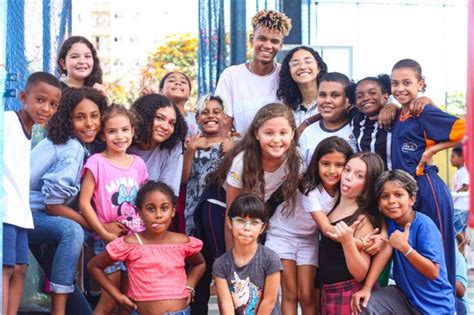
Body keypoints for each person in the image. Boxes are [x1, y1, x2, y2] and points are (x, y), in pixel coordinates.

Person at [192, 103, 301, 313]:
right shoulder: (243, 161)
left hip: (250, 212)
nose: (276, 139)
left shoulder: (295, 160)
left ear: (292, 134)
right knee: (223, 269)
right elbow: (230, 213)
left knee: (252, 274)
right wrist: (230, 258)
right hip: (220, 205)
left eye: (283, 133)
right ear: (257, 134)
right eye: (269, 133)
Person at [29, 86, 107, 315]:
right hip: (30, 215)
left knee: (81, 309)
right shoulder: (71, 149)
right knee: (72, 230)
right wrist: (99, 227)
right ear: (67, 119)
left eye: (94, 116)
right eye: (80, 117)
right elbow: (52, 205)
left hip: (40, 216)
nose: (89, 123)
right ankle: (58, 312)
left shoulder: (75, 145)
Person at [390, 58, 464, 288]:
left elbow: (464, 129)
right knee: (415, 249)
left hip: (428, 187)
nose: (400, 88)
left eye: (407, 82)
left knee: (438, 250)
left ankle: (448, 303)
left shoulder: (423, 111)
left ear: (420, 84)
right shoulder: (399, 115)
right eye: (394, 83)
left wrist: (432, 150)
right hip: (406, 191)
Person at [88, 180, 206, 315]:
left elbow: (199, 263)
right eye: (151, 208)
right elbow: (94, 266)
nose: (158, 215)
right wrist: (118, 296)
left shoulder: (182, 241)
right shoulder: (131, 243)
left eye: (164, 208)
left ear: (173, 211)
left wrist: (190, 286)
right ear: (139, 213)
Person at [265, 136, 353, 315]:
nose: (332, 171)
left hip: (308, 239)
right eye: (325, 164)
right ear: (316, 163)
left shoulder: (343, 190)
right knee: (290, 293)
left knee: (307, 295)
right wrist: (357, 242)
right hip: (282, 235)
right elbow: (327, 228)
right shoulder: (309, 188)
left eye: (339, 165)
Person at [351, 170, 455, 315]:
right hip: (405, 298)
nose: (392, 201)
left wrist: (405, 248)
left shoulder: (424, 225)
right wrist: (367, 288)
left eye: (398, 195)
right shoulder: (389, 222)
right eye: (385, 196)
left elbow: (433, 272)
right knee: (366, 305)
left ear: (412, 199)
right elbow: (386, 248)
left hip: (435, 307)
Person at [79, 104, 148, 314]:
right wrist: (104, 233)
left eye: (125, 130)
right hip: (107, 241)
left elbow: (145, 202)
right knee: (109, 300)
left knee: (128, 300)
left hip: (135, 241)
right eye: (112, 131)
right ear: (103, 134)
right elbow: (83, 203)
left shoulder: (138, 164)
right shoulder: (96, 162)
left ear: (133, 131)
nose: (120, 136)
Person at [2, 72, 61, 315]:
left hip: (19, 212)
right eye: (40, 100)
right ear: (24, 96)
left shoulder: (30, 132)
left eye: (53, 104)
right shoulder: (7, 121)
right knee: (5, 269)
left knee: (20, 268)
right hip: (4, 210)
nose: (46, 108)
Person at [318, 152, 384, 315]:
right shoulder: (330, 207)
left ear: (368, 184)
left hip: (348, 293)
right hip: (328, 292)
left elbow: (360, 272)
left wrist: (348, 242)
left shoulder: (362, 219)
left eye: (359, 176)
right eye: (347, 170)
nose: (348, 177)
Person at [214, 10, 292, 135]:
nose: (268, 45)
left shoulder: (286, 74)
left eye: (274, 41)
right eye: (262, 39)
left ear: (281, 45)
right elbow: (224, 124)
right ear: (252, 40)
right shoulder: (231, 75)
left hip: (279, 150)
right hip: (241, 151)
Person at [213, 194, 283, 314]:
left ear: (263, 228)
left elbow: (269, 301)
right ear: (229, 223)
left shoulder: (271, 259)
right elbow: (226, 303)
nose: (247, 228)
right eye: (240, 221)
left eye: (254, 222)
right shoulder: (221, 264)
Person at [182, 94, 233, 235]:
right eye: (205, 112)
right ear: (197, 119)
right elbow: (183, 179)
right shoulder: (190, 146)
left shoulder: (234, 146)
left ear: (224, 118)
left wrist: (233, 151)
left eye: (216, 112)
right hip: (194, 213)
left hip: (224, 213)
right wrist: (191, 148)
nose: (211, 116)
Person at [128, 94, 187, 197]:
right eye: (159, 118)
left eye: (172, 123)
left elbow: (167, 195)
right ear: (144, 116)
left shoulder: (173, 147)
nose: (165, 127)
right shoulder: (124, 141)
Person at [299, 72, 358, 166]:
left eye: (335, 95)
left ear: (348, 100)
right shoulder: (308, 132)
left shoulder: (357, 130)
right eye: (322, 95)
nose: (327, 100)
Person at [276, 45, 328, 128]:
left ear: (318, 68)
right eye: (295, 63)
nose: (302, 67)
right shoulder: (284, 108)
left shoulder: (330, 103)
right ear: (289, 71)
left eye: (308, 62)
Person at [451, 145, 470, 234]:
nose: (451, 159)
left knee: (455, 230)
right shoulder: (459, 171)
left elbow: (466, 186)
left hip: (461, 207)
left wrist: (455, 194)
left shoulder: (464, 171)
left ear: (462, 157)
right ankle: (465, 245)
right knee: (460, 232)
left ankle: (470, 243)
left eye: (453, 157)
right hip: (458, 207)